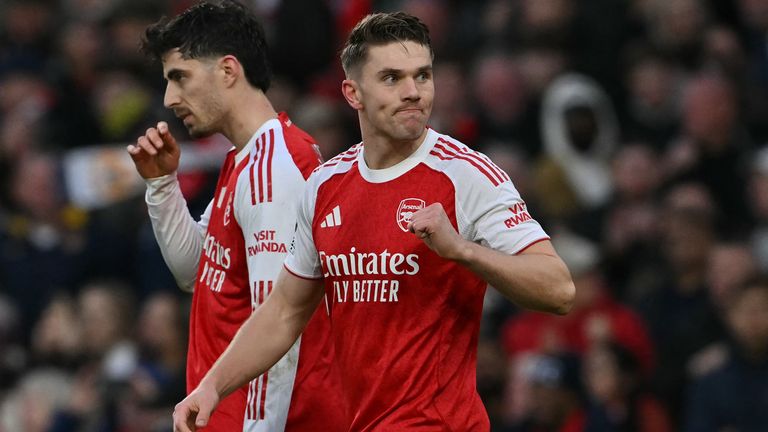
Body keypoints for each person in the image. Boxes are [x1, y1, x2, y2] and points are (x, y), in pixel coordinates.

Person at [173, 11, 575, 432]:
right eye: (391, 78)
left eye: (422, 76)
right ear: (353, 93)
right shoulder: (326, 184)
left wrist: (463, 251)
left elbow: (559, 288)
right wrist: (212, 387)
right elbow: (285, 311)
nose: (413, 92)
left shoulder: (466, 174)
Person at [126, 1, 341, 431]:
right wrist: (162, 185)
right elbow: (196, 272)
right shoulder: (246, 160)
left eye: (179, 78)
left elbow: (280, 328)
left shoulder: (274, 169)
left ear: (228, 70)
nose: (170, 99)